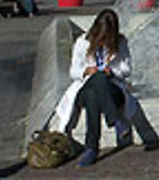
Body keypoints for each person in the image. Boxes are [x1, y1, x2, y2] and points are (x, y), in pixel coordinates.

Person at [54, 9, 138, 167]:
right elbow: (73, 71)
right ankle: (116, 121)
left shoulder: (121, 42)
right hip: (84, 89)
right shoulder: (82, 42)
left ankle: (91, 148)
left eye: (108, 38)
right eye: (102, 38)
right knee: (96, 81)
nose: (104, 41)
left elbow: (127, 69)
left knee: (96, 91)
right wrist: (86, 71)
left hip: (112, 89)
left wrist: (112, 71)